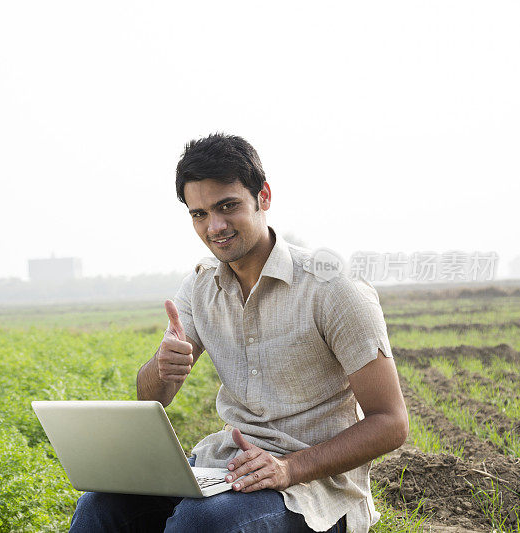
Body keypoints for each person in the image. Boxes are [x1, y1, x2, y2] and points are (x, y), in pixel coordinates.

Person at [69, 134, 408, 533]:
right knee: (100, 505)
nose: (215, 227)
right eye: (199, 214)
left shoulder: (334, 289)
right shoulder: (199, 287)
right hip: (228, 467)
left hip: (315, 489)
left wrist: (288, 468)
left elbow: (391, 423)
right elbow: (151, 399)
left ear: (263, 196)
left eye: (227, 206)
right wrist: (164, 368)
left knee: (201, 522)